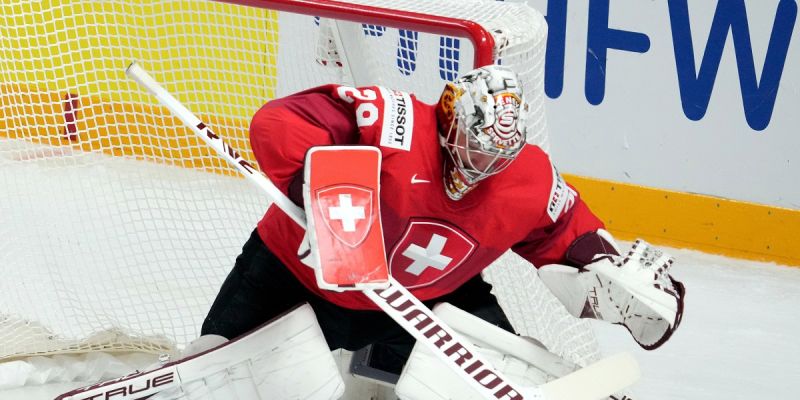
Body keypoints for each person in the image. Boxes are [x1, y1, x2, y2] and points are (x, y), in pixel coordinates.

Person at [199, 65, 685, 375]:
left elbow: (564, 227)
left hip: (425, 302)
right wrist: (325, 191)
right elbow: (279, 121)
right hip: (295, 276)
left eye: (497, 156)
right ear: (451, 119)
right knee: (213, 378)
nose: (483, 165)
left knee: (500, 379)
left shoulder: (528, 175)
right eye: (476, 147)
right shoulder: (392, 121)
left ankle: (385, 363)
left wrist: (603, 265)